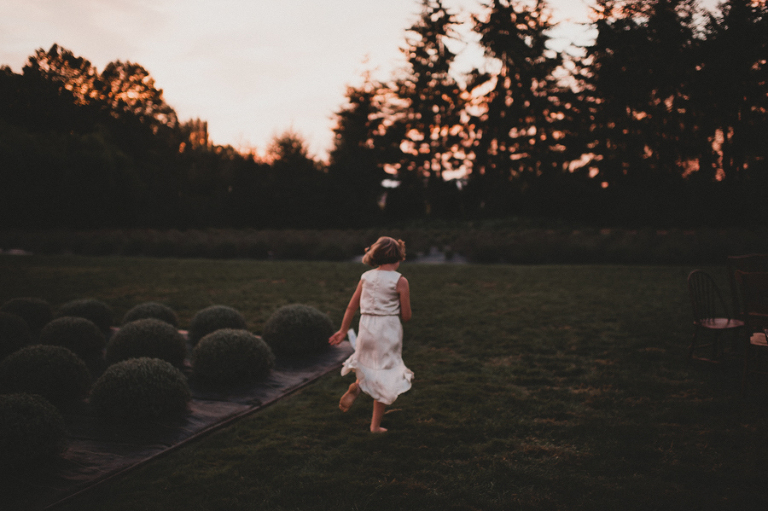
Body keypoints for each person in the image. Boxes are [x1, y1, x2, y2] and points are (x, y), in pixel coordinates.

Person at [329, 236, 414, 433]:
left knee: (366, 361)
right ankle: (375, 426)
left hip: (366, 327)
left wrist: (343, 330)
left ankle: (358, 387)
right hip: (387, 330)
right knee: (384, 375)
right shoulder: (400, 281)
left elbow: (352, 306)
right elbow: (407, 316)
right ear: (399, 257)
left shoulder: (366, 277)